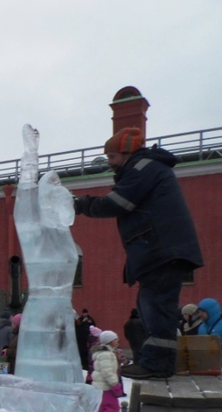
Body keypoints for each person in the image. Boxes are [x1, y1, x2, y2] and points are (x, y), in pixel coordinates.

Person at [74, 127, 204, 380]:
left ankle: (158, 365)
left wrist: (79, 204)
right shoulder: (147, 168)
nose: (109, 163)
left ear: (125, 153)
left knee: (156, 306)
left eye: (112, 157)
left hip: (159, 250)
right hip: (158, 250)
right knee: (151, 305)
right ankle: (154, 361)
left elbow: (117, 203)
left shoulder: (143, 168)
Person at [90, 331, 124, 412]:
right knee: (113, 408)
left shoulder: (106, 353)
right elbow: (107, 372)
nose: (117, 341)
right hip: (105, 387)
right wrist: (115, 385)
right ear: (109, 341)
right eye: (115, 339)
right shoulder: (106, 354)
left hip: (100, 386)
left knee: (102, 408)